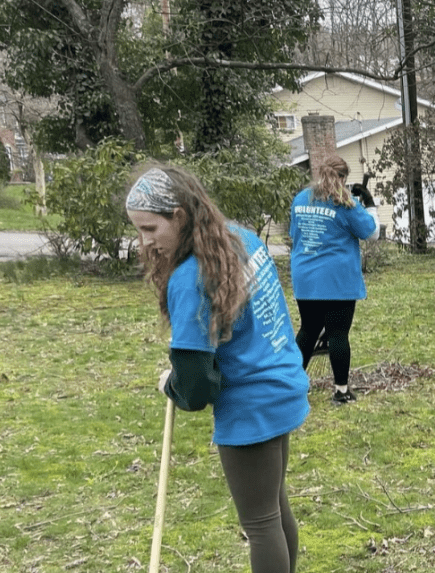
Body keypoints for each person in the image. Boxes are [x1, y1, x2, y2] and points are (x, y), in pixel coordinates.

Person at [126, 164, 309, 573]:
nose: (145, 241)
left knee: (261, 523)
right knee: (274, 509)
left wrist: (172, 384)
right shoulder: (238, 237)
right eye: (138, 230)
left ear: (180, 215)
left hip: (252, 404)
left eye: (151, 228)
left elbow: (194, 390)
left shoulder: (190, 279)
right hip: (282, 384)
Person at [290, 155, 380, 404]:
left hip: (305, 277)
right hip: (336, 280)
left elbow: (294, 234)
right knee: (338, 334)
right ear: (342, 178)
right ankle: (341, 391)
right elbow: (371, 233)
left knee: (308, 330)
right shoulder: (345, 203)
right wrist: (369, 203)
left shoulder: (300, 199)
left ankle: (292, 386)